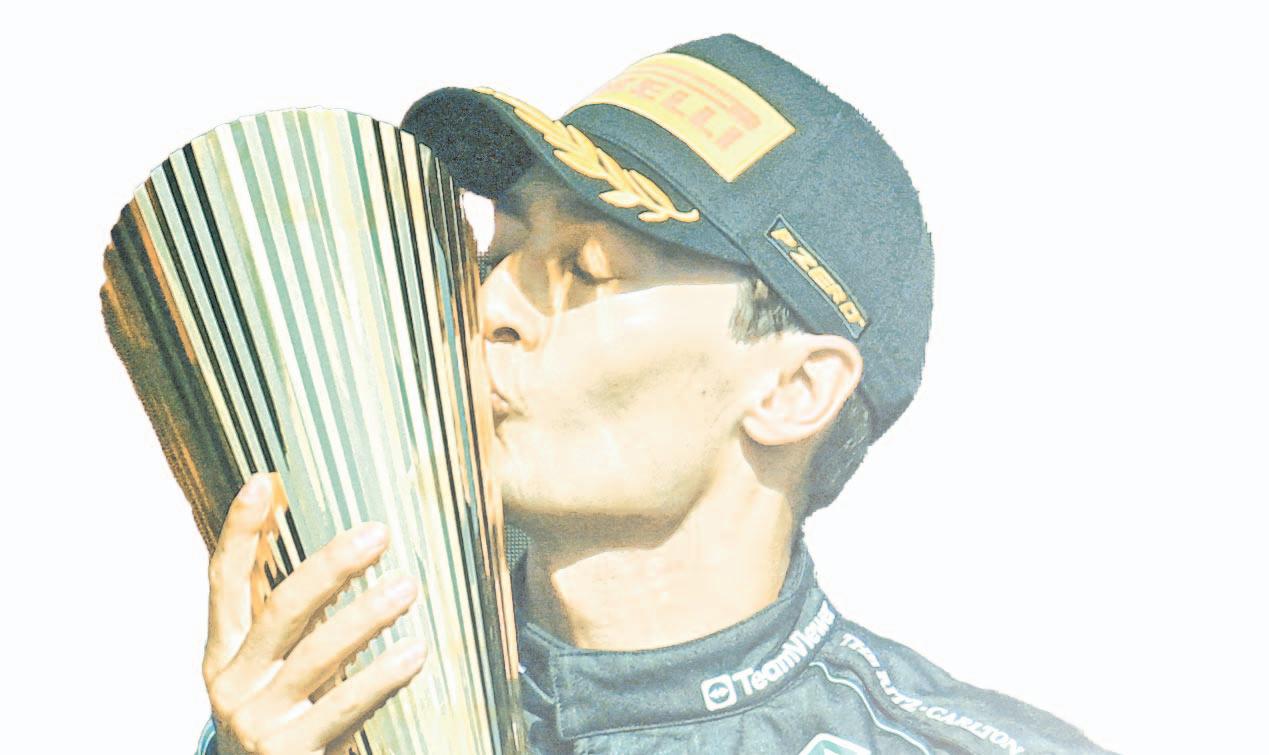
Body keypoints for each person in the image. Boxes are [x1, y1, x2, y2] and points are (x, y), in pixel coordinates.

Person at [196, 34, 1111, 754]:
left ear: (794, 389)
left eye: (585, 268)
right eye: (497, 251)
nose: (488, 305)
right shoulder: (337, 709)